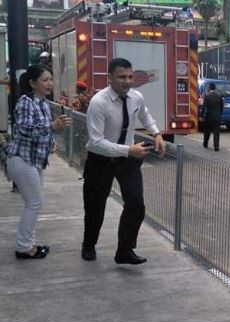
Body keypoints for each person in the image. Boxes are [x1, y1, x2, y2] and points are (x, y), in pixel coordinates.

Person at [82, 57, 166, 265]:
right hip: (101, 160)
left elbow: (145, 116)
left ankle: (124, 250)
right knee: (95, 207)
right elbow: (96, 142)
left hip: (127, 161)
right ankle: (89, 244)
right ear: (110, 78)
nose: (127, 81)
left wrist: (156, 134)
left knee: (136, 205)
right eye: (122, 77)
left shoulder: (136, 97)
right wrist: (128, 150)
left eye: (130, 76)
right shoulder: (99, 103)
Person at [6, 64, 70, 259]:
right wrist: (53, 125)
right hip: (21, 159)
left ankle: (28, 243)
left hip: (34, 161)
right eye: (45, 80)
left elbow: (42, 131)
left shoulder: (42, 103)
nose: (49, 83)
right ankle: (24, 247)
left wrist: (51, 143)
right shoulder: (26, 102)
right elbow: (25, 129)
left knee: (34, 203)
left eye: (50, 79)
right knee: (34, 203)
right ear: (33, 83)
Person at [202, 82, 223, 151]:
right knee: (216, 132)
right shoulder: (219, 96)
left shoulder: (207, 96)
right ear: (215, 88)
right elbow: (221, 107)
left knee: (207, 131)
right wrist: (220, 114)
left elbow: (204, 107)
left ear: (209, 88)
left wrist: (202, 115)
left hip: (209, 117)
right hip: (217, 117)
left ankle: (205, 143)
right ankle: (216, 146)